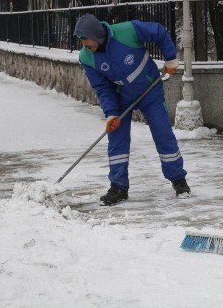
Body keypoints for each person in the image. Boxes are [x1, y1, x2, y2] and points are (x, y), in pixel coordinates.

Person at [74, 14, 190, 205]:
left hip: (149, 88)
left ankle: (178, 179)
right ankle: (118, 187)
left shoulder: (127, 31)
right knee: (116, 139)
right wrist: (111, 113)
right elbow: (103, 88)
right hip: (121, 98)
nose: (86, 46)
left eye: (87, 42)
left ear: (96, 34)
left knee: (163, 133)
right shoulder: (86, 57)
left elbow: (159, 32)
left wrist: (170, 58)